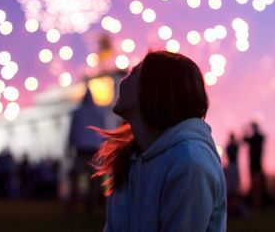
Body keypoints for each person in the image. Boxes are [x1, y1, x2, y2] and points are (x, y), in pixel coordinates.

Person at [93, 51, 226, 232]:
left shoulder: (190, 163)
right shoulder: (130, 158)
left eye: (133, 74)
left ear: (154, 89)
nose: (122, 81)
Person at [67, 88, 106, 212]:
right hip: (94, 150)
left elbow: (72, 131)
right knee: (94, 180)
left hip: (81, 150)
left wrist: (69, 146)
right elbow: (103, 132)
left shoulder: (77, 113)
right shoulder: (99, 112)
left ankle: (73, 205)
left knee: (77, 178)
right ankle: (92, 206)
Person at [243, 122, 265, 208]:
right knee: (254, 183)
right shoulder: (255, 138)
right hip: (254, 163)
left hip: (256, 163)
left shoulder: (258, 137)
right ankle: (256, 203)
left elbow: (245, 139)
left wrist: (246, 131)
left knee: (257, 183)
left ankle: (258, 203)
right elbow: (244, 140)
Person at [224, 132, 240, 215]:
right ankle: (231, 207)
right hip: (231, 165)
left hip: (234, 165)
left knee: (235, 187)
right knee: (231, 187)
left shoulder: (235, 146)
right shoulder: (229, 146)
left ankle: (235, 206)